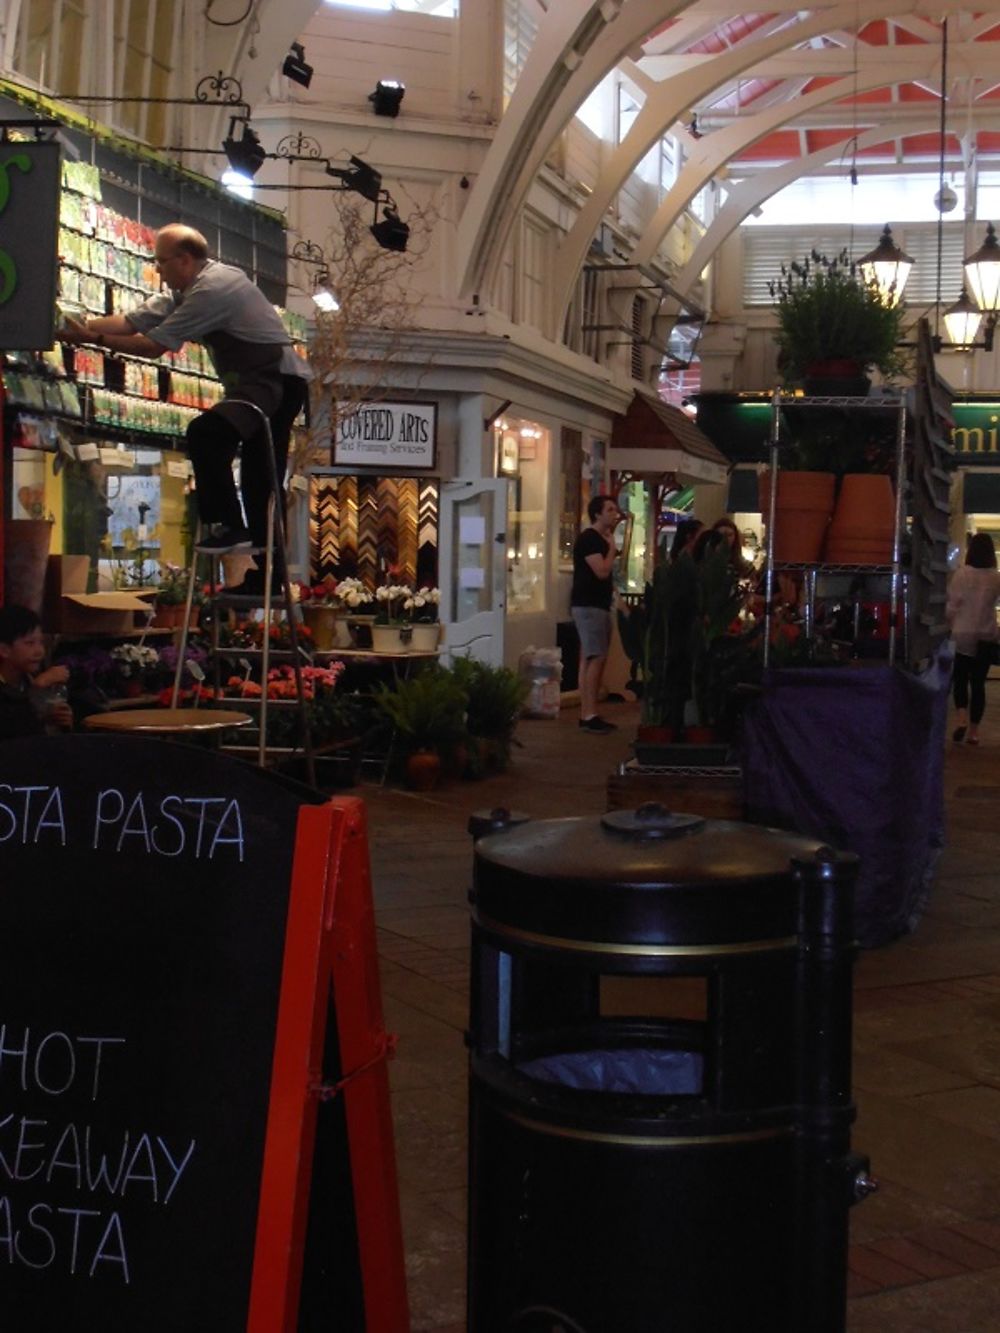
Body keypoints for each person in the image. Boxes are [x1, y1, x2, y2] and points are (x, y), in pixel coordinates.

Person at [59, 224, 310, 594]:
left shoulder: (214, 289)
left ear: (185, 259)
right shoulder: (187, 290)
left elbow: (152, 345)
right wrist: (77, 327)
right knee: (247, 471)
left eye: (161, 261)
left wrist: (92, 339)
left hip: (276, 382)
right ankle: (262, 572)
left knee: (220, 445)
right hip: (254, 382)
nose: (157, 269)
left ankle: (231, 528)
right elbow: (132, 322)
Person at [571, 494, 620, 733]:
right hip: (589, 605)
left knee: (591, 657)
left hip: (597, 604)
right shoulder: (590, 540)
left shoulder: (598, 539)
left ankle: (588, 712)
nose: (615, 513)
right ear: (597, 514)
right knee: (595, 657)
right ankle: (589, 713)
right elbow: (601, 571)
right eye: (610, 510)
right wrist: (612, 550)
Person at [947, 531, 1000, 745]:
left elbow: (952, 605)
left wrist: (949, 623)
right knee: (978, 684)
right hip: (986, 634)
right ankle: (975, 733)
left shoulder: (962, 575)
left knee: (960, 678)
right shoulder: (996, 577)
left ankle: (961, 718)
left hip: (962, 633)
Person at [0, 605, 74, 740]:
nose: (39, 651)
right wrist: (37, 687)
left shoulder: (28, 679)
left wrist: (57, 720)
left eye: (41, 642)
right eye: (30, 643)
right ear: (4, 650)